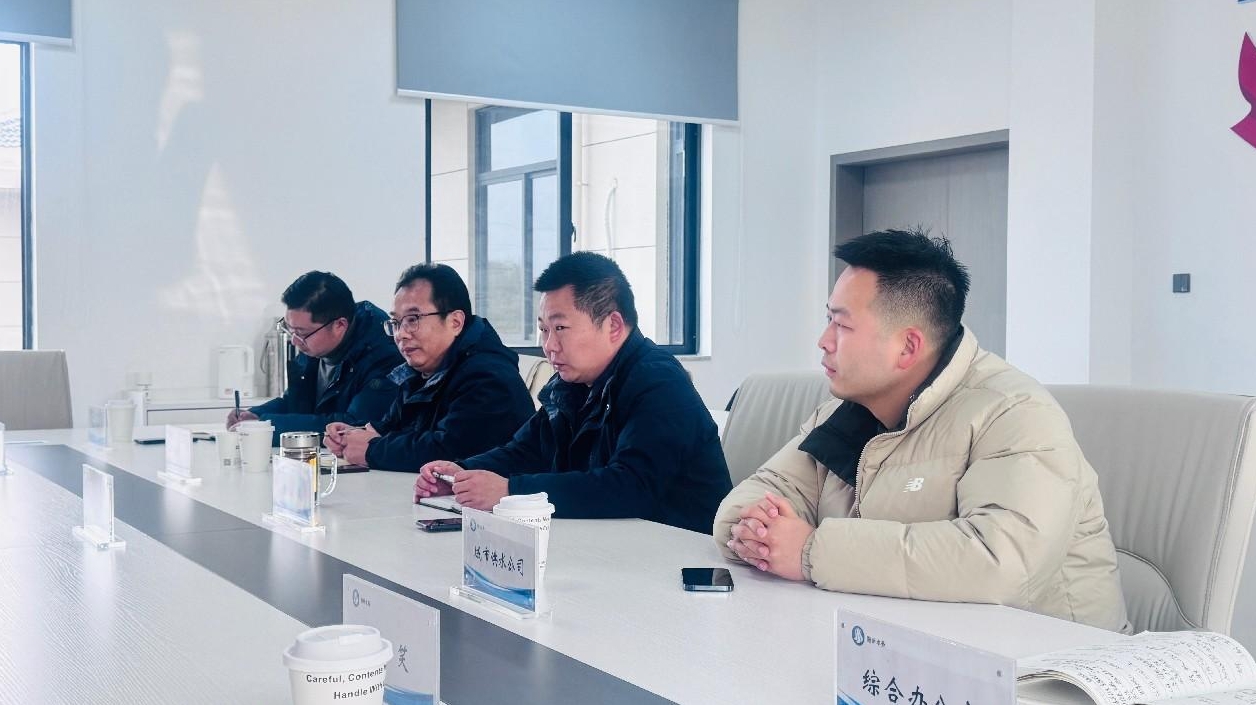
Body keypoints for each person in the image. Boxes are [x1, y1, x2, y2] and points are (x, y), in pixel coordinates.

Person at [714, 229, 1130, 633]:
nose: (823, 341)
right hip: (898, 646)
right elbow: (752, 502)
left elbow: (1001, 563)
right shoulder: (847, 411)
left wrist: (810, 552)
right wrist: (761, 533)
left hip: (1054, 662)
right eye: (828, 320)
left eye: (842, 325)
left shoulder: (1015, 413)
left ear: (908, 347)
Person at [413, 252, 732, 534]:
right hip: (611, 545)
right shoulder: (574, 383)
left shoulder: (659, 382)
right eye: (543, 329)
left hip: (677, 556)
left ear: (613, 325)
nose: (549, 345)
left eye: (560, 328)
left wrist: (511, 491)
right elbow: (525, 451)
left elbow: (631, 487)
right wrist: (462, 472)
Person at [323, 264, 534, 470]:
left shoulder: (489, 377)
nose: (401, 334)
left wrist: (371, 450)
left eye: (413, 319)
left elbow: (450, 451)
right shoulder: (422, 370)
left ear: (455, 322)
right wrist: (354, 435)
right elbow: (393, 427)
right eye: (396, 322)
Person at [227, 271, 401, 443]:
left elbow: (353, 426)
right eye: (290, 330)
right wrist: (255, 414)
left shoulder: (384, 354)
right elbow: (295, 402)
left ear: (339, 325)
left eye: (301, 333)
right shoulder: (313, 346)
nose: (295, 341)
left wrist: (266, 426)